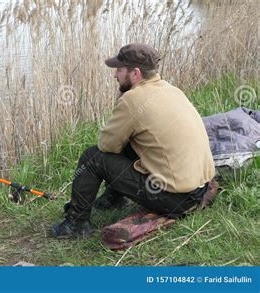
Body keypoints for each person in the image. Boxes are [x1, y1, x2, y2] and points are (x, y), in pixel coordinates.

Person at [50, 43, 215, 238]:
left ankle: (75, 225)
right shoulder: (172, 89)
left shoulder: (133, 99)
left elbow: (106, 145)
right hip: (200, 190)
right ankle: (114, 199)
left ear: (135, 73)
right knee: (129, 140)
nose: (115, 75)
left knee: (92, 158)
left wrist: (123, 99)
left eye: (119, 70)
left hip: (176, 199)